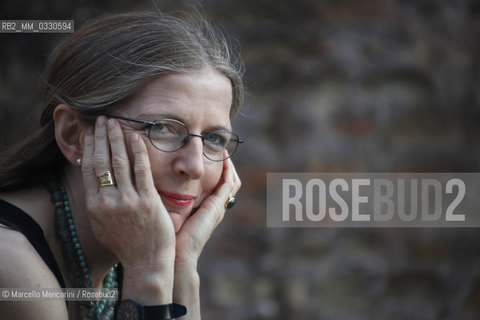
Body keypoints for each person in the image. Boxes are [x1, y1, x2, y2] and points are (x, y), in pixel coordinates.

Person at [0, 10, 244, 320]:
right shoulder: (9, 264)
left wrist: (182, 265)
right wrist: (149, 274)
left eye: (214, 138)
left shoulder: (133, 254)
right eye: (161, 128)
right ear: (74, 135)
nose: (194, 166)